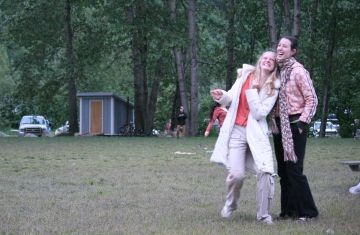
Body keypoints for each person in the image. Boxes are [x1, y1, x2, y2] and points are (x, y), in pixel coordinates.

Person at [210, 51, 280, 225]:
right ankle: (230, 205)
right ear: (260, 61)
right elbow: (231, 98)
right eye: (265, 58)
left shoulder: (274, 87)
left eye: (272, 60)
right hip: (237, 132)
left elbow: (260, 113)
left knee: (266, 172)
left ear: (275, 66)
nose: (268, 61)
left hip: (256, 134)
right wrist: (222, 96)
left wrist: (254, 91)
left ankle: (263, 215)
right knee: (237, 175)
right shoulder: (246, 75)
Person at [269, 36, 319, 222]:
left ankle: (309, 212)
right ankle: (288, 211)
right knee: (283, 171)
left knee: (295, 170)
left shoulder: (298, 71)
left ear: (293, 51)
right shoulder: (276, 71)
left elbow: (312, 98)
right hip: (278, 124)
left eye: (285, 45)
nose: (280, 48)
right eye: (279, 45)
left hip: (295, 124)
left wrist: (303, 122)